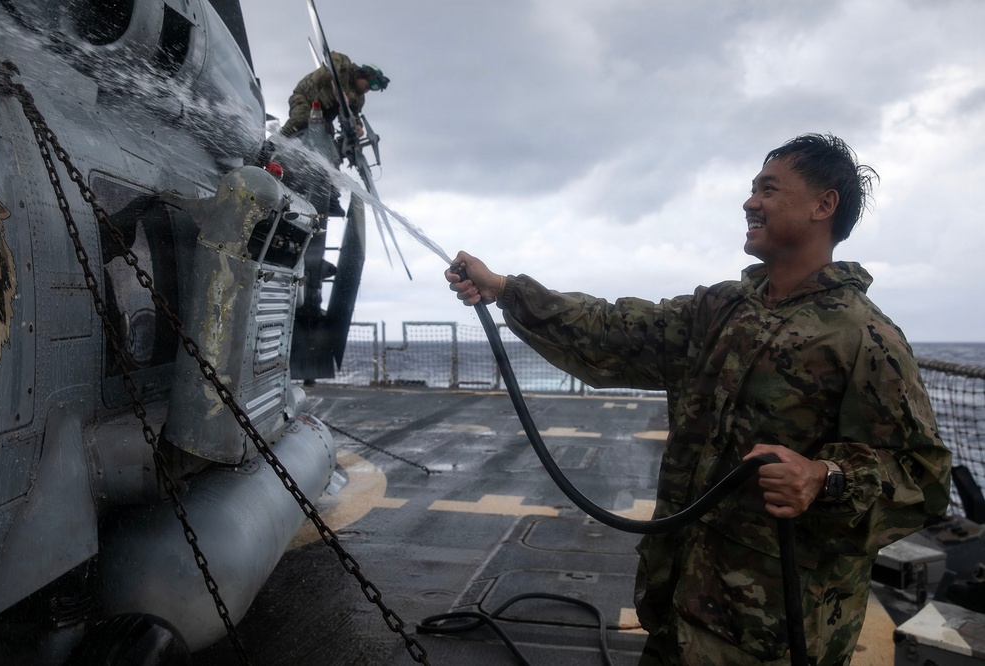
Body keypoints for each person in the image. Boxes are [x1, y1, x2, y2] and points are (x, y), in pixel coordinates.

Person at [445, 134, 952, 665]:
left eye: (769, 189)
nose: (749, 202)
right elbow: (612, 329)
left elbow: (923, 479)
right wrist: (505, 289)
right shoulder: (720, 311)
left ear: (824, 205)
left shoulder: (864, 337)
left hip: (776, 638)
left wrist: (825, 477)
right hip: (679, 608)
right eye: (753, 189)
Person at [279, 52, 389, 137]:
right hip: (305, 97)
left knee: (328, 142)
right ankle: (275, 142)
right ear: (363, 74)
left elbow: (353, 113)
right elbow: (326, 72)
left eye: (369, 89)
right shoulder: (343, 63)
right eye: (367, 86)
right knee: (302, 119)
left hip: (324, 116)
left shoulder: (358, 99)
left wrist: (358, 126)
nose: (366, 91)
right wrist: (337, 90)